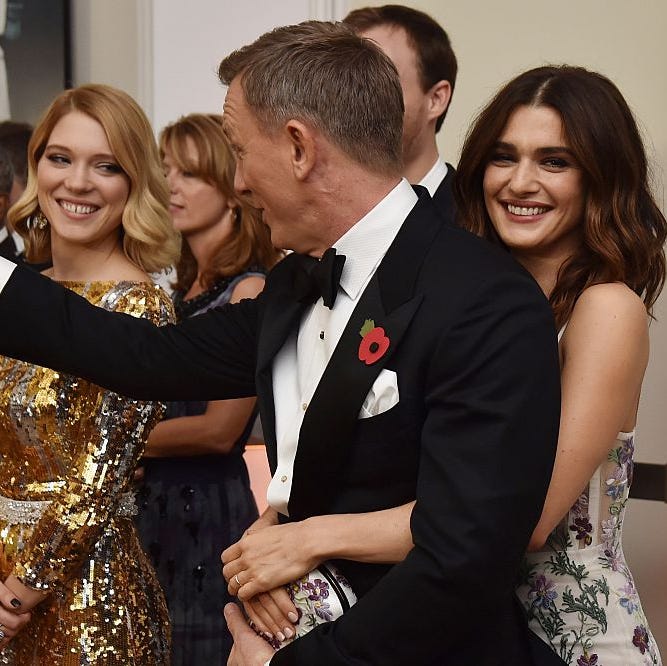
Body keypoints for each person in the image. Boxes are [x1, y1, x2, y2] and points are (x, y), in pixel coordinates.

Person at [0, 22, 562, 665]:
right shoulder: (297, 281)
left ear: (299, 148)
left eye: (239, 150)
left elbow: (464, 557)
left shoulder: (486, 301)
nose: (237, 181)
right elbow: (149, 357)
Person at [453, 65, 665, 665]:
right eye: (503, 156)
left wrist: (321, 534)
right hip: (465, 627)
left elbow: (528, 519)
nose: (521, 183)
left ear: (601, 178)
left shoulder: (606, 309)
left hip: (576, 637)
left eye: (554, 161)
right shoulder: (471, 303)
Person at [0, 83, 180, 662]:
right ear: (36, 168)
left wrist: (15, 597)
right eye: (60, 159)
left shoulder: (140, 308)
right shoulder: (20, 293)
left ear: (133, 184)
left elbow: (95, 479)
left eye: (105, 166)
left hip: (86, 602)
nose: (76, 183)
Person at [135, 112, 281, 664]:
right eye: (165, 168)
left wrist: (117, 445)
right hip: (156, 507)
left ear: (230, 188)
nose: (171, 184)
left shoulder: (249, 288)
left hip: (207, 515)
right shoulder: (176, 288)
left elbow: (221, 430)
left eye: (190, 173)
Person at [343, 4, 458, 223]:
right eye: (345, 82)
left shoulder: (478, 221)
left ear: (436, 99)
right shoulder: (318, 220)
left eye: (378, 80)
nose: (354, 99)